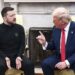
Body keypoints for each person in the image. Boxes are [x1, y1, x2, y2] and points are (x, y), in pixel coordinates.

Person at [36, 7, 75, 75]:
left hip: (72, 58)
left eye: (54, 20)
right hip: (59, 57)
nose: (53, 22)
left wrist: (66, 62)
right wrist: (45, 43)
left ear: (62, 21)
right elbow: (53, 45)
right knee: (45, 64)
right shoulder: (56, 28)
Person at [0, 7, 34, 75]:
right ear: (4, 17)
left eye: (14, 15)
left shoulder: (20, 28)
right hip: (3, 56)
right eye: (11, 16)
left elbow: (22, 44)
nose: (14, 17)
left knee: (29, 64)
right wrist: (5, 58)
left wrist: (19, 56)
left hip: (17, 55)